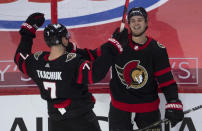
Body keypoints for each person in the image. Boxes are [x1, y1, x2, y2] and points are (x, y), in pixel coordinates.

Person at [67, 7, 184, 130]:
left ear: (146, 22)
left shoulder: (157, 49)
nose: (136, 23)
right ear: (128, 24)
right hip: (120, 107)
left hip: (147, 107)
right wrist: (69, 47)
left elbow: (166, 80)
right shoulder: (118, 44)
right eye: (132, 20)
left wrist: (173, 101)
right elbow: (92, 55)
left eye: (139, 20)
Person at [14, 13, 123, 131]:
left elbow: (20, 57)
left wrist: (27, 31)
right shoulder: (72, 62)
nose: (68, 39)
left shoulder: (37, 61)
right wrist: (113, 47)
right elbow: (94, 73)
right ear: (62, 40)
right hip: (82, 121)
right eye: (67, 37)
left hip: (55, 122)